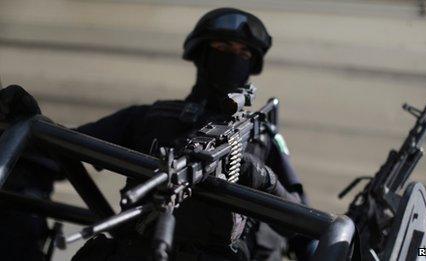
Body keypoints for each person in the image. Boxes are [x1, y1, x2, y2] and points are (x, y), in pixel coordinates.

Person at [0, 8, 313, 260]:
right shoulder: (152, 116)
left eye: (243, 53)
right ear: (202, 54)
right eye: (222, 47)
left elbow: (304, 226)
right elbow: (52, 156)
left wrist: (262, 178)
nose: (233, 56)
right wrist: (28, 123)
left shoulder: (261, 136)